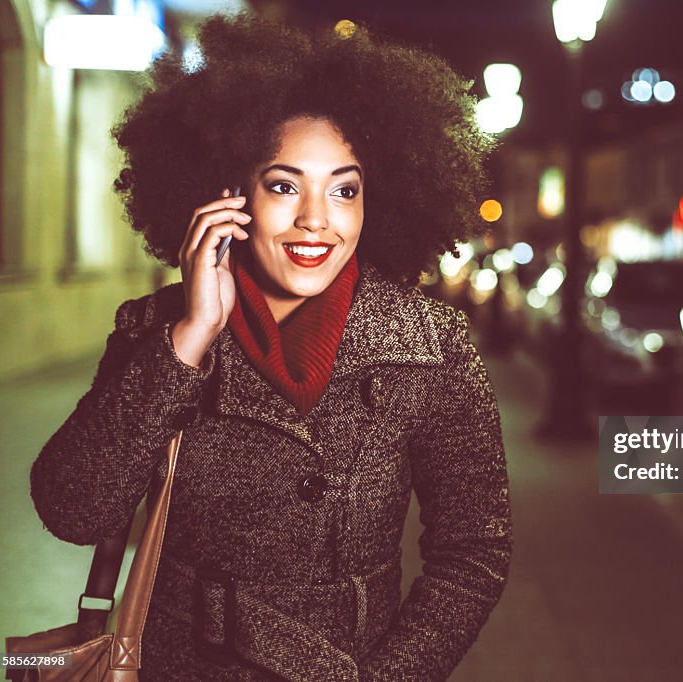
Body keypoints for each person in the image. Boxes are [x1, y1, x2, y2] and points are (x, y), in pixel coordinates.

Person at [29, 13, 512, 681]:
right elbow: (72, 510)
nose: (316, 219)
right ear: (232, 197)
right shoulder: (157, 330)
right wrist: (189, 341)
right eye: (284, 185)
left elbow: (474, 554)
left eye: (344, 190)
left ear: (377, 203)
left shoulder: (431, 346)